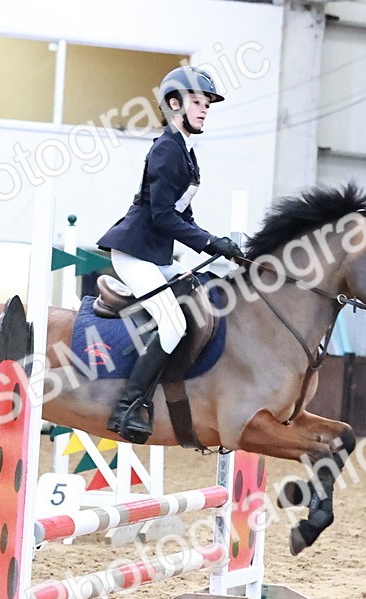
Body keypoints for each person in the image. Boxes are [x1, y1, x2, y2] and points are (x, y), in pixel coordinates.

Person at [97, 65, 244, 444]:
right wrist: (211, 242)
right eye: (197, 102)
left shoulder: (186, 151)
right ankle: (129, 405)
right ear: (174, 103)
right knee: (174, 324)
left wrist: (219, 250)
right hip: (135, 255)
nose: (204, 109)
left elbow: (183, 214)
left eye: (207, 104)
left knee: (201, 294)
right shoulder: (166, 150)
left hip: (157, 255)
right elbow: (162, 216)